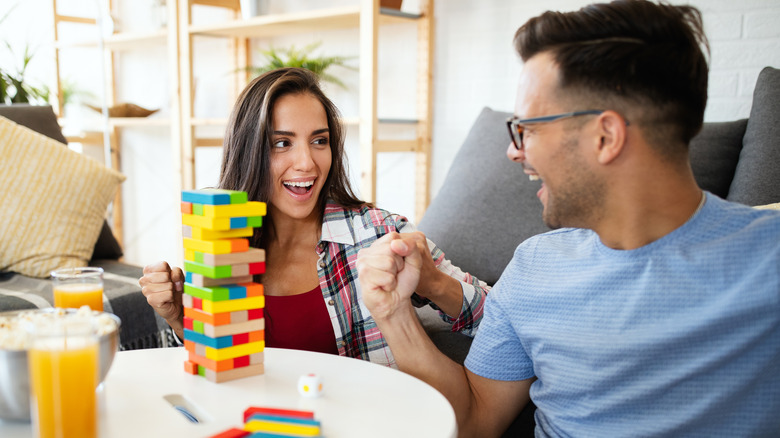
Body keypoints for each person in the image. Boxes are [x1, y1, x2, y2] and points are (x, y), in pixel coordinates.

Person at [356, 1, 780, 436]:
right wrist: (392, 312)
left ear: (605, 137)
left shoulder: (768, 260)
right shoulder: (534, 268)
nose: (513, 151)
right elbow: (471, 423)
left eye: (529, 129)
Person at [139, 67, 488, 368]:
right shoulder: (223, 238)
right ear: (248, 152)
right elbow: (223, 366)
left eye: (319, 141)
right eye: (282, 143)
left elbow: (499, 315)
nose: (307, 162)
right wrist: (179, 317)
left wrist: (432, 281)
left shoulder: (379, 232)